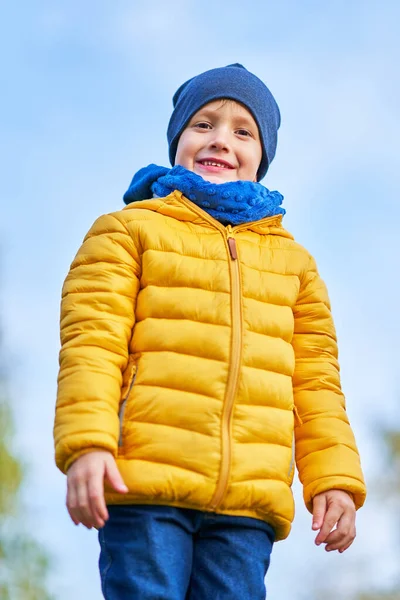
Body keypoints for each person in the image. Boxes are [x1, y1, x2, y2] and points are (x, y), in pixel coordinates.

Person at [54, 63, 366, 599]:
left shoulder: (295, 264)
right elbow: (92, 346)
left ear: (262, 155)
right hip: (144, 482)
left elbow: (315, 384)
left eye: (243, 130)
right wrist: (87, 444)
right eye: (203, 124)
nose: (221, 139)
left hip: (248, 504)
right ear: (178, 139)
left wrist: (332, 478)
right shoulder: (129, 231)